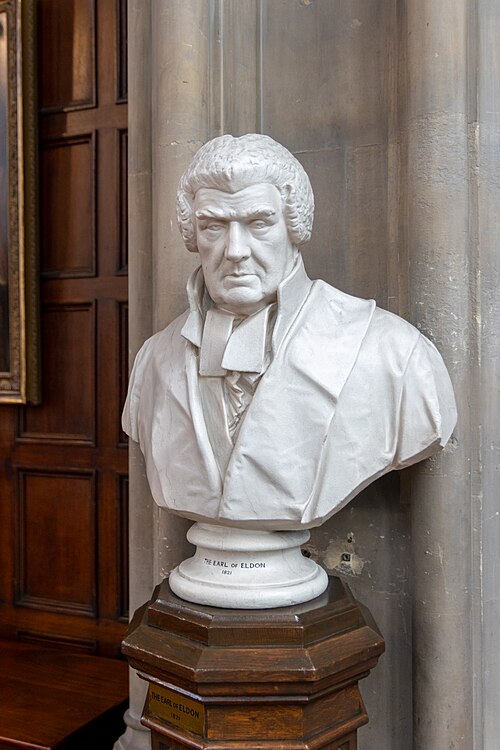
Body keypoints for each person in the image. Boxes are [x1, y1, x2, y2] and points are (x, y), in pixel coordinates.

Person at [123, 134, 456, 530]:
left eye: (258, 223)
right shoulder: (152, 360)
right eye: (212, 226)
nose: (235, 250)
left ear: (294, 226)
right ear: (193, 236)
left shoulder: (394, 356)